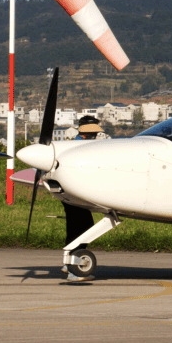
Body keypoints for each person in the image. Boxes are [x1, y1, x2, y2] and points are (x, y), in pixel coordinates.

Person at [61, 115, 103, 281]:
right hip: (77, 195)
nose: (94, 136)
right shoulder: (83, 147)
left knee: (74, 227)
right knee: (83, 227)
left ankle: (68, 264)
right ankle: (74, 268)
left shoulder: (72, 145)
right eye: (92, 133)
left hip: (68, 195)